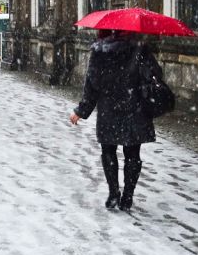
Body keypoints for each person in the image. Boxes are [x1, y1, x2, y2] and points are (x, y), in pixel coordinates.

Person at [69, 29, 162, 211]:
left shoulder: (100, 52)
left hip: (109, 109)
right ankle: (128, 195)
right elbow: (156, 74)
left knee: (108, 150)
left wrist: (82, 110)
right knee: (133, 154)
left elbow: (92, 84)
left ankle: (113, 193)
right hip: (135, 107)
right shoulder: (140, 49)